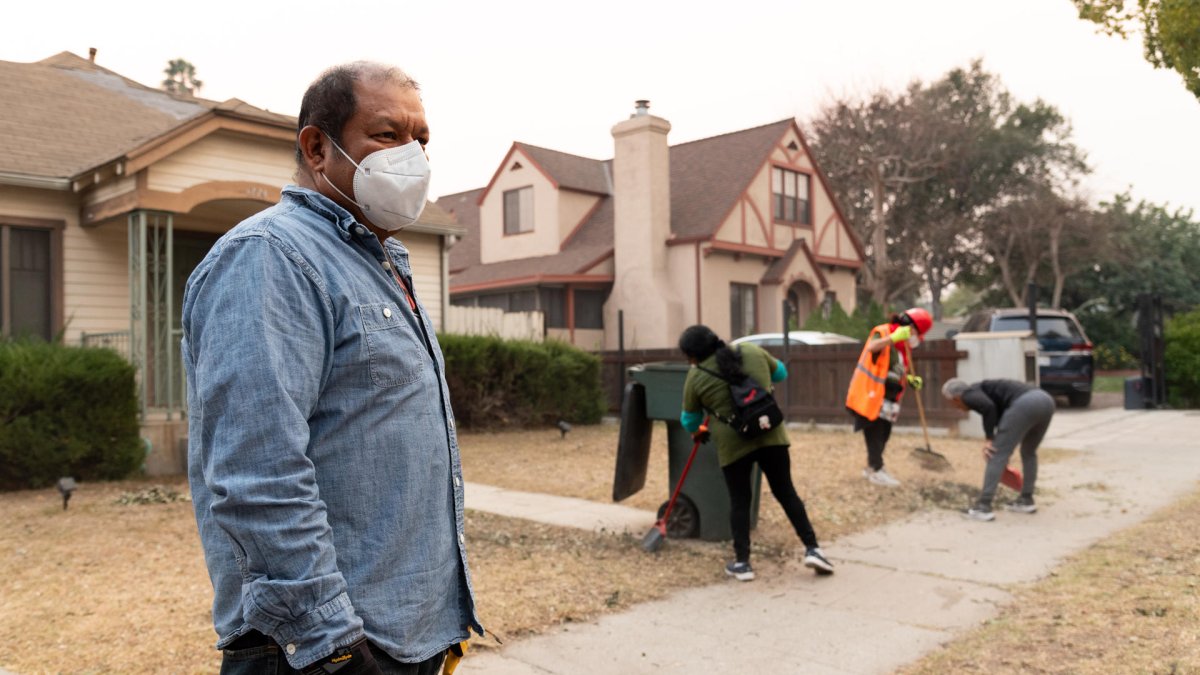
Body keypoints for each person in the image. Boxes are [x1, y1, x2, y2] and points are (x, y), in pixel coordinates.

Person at [182, 62, 481, 675]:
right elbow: (257, 473)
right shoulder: (270, 258)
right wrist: (333, 647)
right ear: (318, 147)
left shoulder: (380, 261)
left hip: (402, 636)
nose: (413, 156)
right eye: (388, 135)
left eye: (422, 140)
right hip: (321, 652)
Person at [678, 325, 834, 582]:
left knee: (740, 501)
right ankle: (813, 548)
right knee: (786, 491)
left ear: (692, 355)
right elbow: (781, 373)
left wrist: (701, 429)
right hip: (771, 434)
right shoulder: (750, 350)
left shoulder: (695, 378)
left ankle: (743, 563)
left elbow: (689, 421)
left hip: (734, 444)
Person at [941, 378, 1055, 521]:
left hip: (1025, 403)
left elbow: (988, 407)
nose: (956, 407)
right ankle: (1026, 500)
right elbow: (998, 415)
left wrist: (989, 439)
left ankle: (983, 507)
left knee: (995, 454)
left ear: (956, 398)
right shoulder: (986, 390)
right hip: (1046, 401)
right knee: (1029, 452)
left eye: (953, 403)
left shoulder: (969, 394)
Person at [844, 308, 933, 487]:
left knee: (884, 434)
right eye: (918, 333)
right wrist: (893, 337)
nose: (916, 337)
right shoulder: (884, 332)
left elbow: (892, 369)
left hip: (890, 398)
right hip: (872, 395)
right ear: (910, 326)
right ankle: (876, 469)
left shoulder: (902, 347)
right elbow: (872, 347)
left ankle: (873, 467)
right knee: (875, 434)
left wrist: (908, 379)